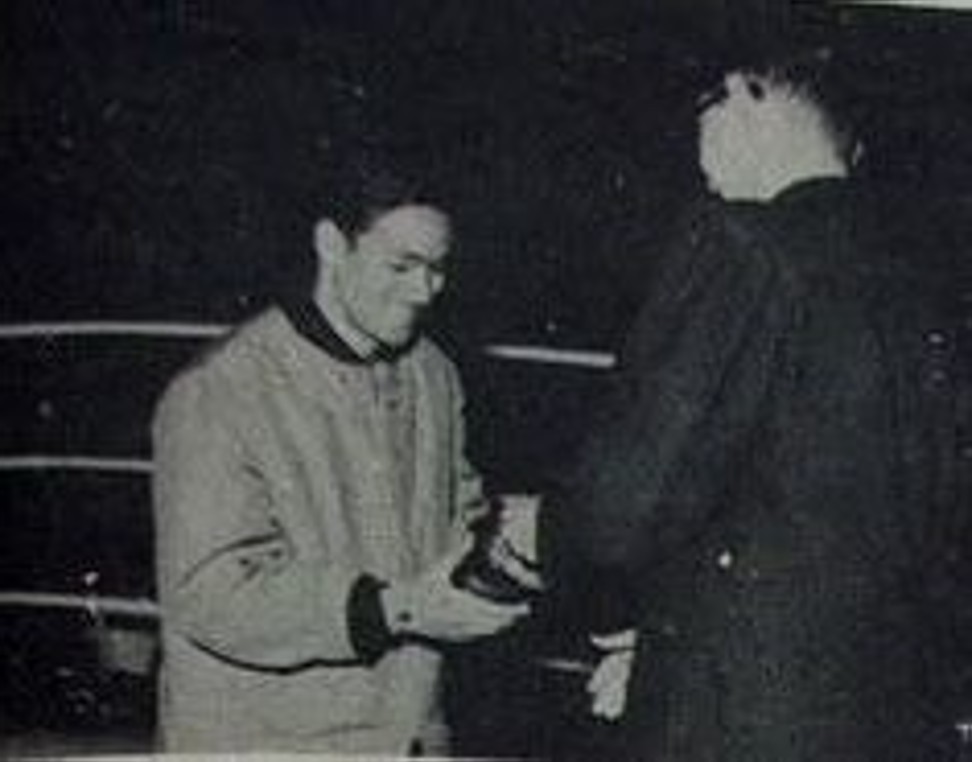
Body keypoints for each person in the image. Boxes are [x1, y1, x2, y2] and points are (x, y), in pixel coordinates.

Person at [529, 48, 960, 761]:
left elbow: (621, 512)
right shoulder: (921, 287)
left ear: (745, 95)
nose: (700, 160)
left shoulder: (742, 244)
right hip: (895, 719)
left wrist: (540, 531)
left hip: (741, 725)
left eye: (704, 111)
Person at [151, 154, 529, 755]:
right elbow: (212, 595)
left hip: (409, 737)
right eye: (401, 266)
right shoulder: (218, 391)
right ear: (331, 245)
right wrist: (397, 611)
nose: (425, 291)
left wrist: (505, 545)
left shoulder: (434, 373)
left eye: (437, 269)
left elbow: (458, 511)